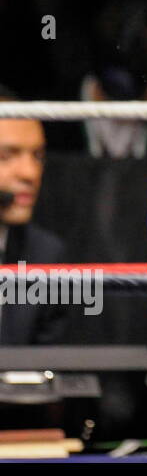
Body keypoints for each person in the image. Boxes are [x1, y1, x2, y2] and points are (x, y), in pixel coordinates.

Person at [0, 87, 68, 346]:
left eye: (37, 156)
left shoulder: (44, 255)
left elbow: (46, 366)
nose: (29, 173)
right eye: (6, 156)